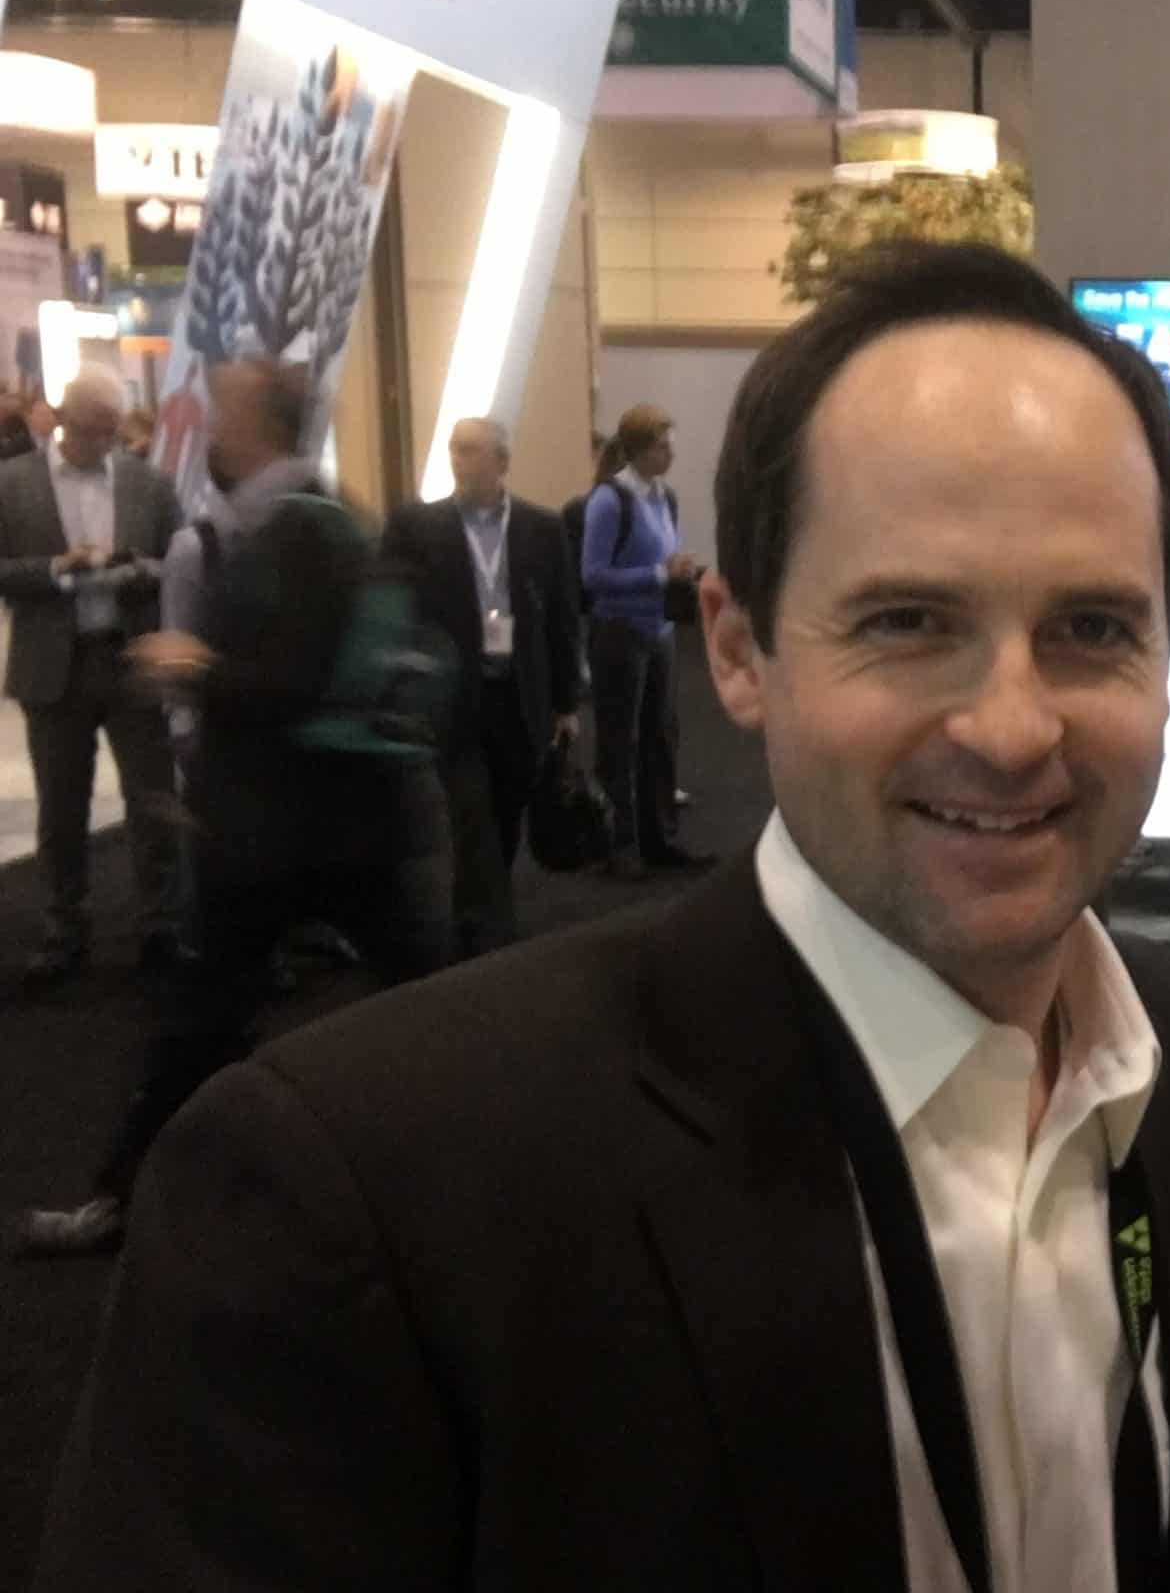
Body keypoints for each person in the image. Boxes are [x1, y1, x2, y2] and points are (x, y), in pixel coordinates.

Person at [9, 241, 1170, 1593]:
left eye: (1092, 630)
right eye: (908, 623)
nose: (1012, 728)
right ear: (737, 650)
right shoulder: (367, 1193)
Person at [16, 359, 450, 1258]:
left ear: (263, 427)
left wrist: (195, 666)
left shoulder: (300, 530)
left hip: (299, 830)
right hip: (319, 825)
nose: (211, 429)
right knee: (231, 1019)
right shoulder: (314, 519)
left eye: (225, 414)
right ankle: (121, 1194)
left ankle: (119, 1197)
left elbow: (294, 680)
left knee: (217, 1022)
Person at [0, 366, 184, 980]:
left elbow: (179, 560)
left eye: (111, 430)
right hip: (54, 665)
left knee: (153, 798)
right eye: (90, 428)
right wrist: (56, 568)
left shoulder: (148, 483)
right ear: (62, 418)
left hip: (132, 658)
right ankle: (65, 927)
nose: (101, 441)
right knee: (61, 806)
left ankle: (161, 924)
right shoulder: (12, 484)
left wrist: (137, 569)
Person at [380, 417, 582, 954]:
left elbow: (563, 618)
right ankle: (484, 931)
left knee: (508, 810)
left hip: (519, 697)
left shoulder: (542, 528)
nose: (458, 460)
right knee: (471, 817)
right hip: (454, 701)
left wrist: (566, 702)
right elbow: (394, 610)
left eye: (470, 450)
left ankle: (484, 911)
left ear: (501, 461)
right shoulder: (418, 528)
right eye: (454, 449)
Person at [581, 403, 709, 878]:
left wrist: (678, 571)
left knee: (660, 736)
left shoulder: (664, 496)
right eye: (661, 447)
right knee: (620, 741)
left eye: (670, 446)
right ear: (637, 450)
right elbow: (593, 576)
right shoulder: (609, 501)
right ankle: (621, 845)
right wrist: (659, 573)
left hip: (660, 630)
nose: (670, 454)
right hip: (620, 632)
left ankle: (660, 838)